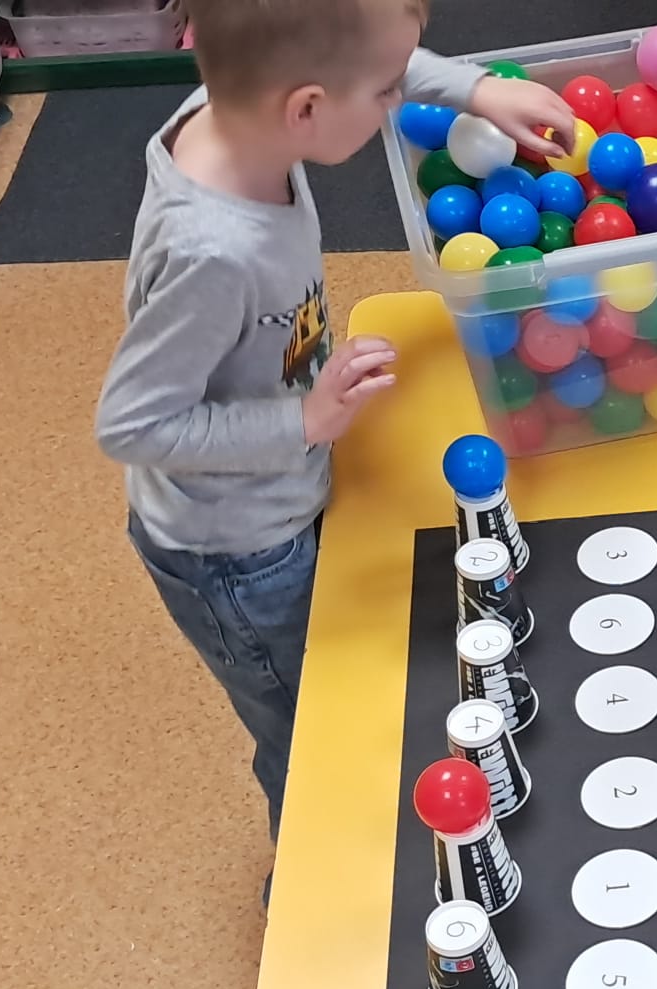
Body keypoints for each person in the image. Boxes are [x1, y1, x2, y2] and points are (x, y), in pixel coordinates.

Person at [93, 0, 572, 879]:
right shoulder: (213, 253)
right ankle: (311, 889)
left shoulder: (239, 109)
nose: (398, 101)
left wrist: (473, 91)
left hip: (282, 488)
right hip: (239, 554)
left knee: (348, 687)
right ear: (307, 109)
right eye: (388, 93)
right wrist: (304, 421)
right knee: (310, 733)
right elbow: (132, 423)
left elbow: (370, 57)